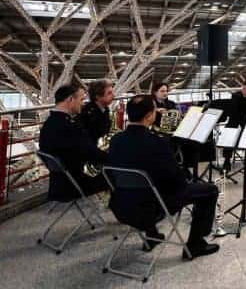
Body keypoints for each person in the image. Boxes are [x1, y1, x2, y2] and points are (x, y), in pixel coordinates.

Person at [107, 95, 219, 259]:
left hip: (121, 205)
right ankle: (195, 245)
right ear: (149, 116)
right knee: (210, 190)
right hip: (151, 208)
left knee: (143, 187)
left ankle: (151, 236)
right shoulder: (156, 142)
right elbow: (177, 182)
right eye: (154, 111)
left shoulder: (116, 140)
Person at [39, 83, 109, 200]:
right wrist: (116, 158)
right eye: (81, 99)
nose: (83, 103)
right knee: (116, 176)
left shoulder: (49, 123)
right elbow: (91, 153)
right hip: (74, 186)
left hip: (58, 184)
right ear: (70, 99)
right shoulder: (69, 126)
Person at [77, 79, 115, 146]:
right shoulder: (88, 114)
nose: (114, 95)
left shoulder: (104, 109)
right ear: (98, 96)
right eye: (109, 93)